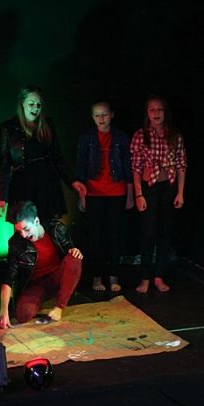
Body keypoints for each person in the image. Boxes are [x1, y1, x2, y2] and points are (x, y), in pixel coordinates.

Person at [0, 86, 86, 223]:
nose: (36, 108)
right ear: (22, 104)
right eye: (31, 104)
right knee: (24, 225)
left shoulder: (47, 124)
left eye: (39, 105)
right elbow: (4, 164)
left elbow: (56, 156)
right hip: (22, 185)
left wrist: (72, 180)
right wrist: (2, 197)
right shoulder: (8, 128)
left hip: (46, 183)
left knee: (48, 225)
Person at [130, 96, 187, 293]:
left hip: (168, 187)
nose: (156, 114)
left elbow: (181, 165)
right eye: (152, 110)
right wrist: (138, 194)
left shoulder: (174, 135)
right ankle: (145, 277)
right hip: (149, 187)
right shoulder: (141, 135)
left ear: (165, 112)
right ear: (147, 114)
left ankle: (158, 276)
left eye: (159, 110)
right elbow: (136, 167)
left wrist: (180, 192)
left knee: (165, 231)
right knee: (148, 232)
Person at [76, 100, 133, 292]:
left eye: (105, 114)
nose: (101, 119)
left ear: (112, 114)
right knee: (96, 238)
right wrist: (82, 195)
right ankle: (97, 277)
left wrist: (130, 194)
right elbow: (81, 167)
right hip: (94, 192)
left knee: (114, 236)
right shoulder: (86, 138)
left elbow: (128, 166)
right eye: (97, 115)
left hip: (117, 192)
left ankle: (114, 276)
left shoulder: (121, 137)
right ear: (92, 117)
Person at [0, 201, 83, 328]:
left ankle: (59, 306)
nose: (23, 235)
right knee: (23, 315)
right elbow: (9, 278)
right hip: (36, 284)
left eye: (26, 229)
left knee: (74, 258)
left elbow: (70, 256)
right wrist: (3, 311)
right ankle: (43, 300)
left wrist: (75, 250)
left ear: (36, 221)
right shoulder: (16, 243)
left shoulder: (57, 229)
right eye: (19, 231)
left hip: (58, 278)